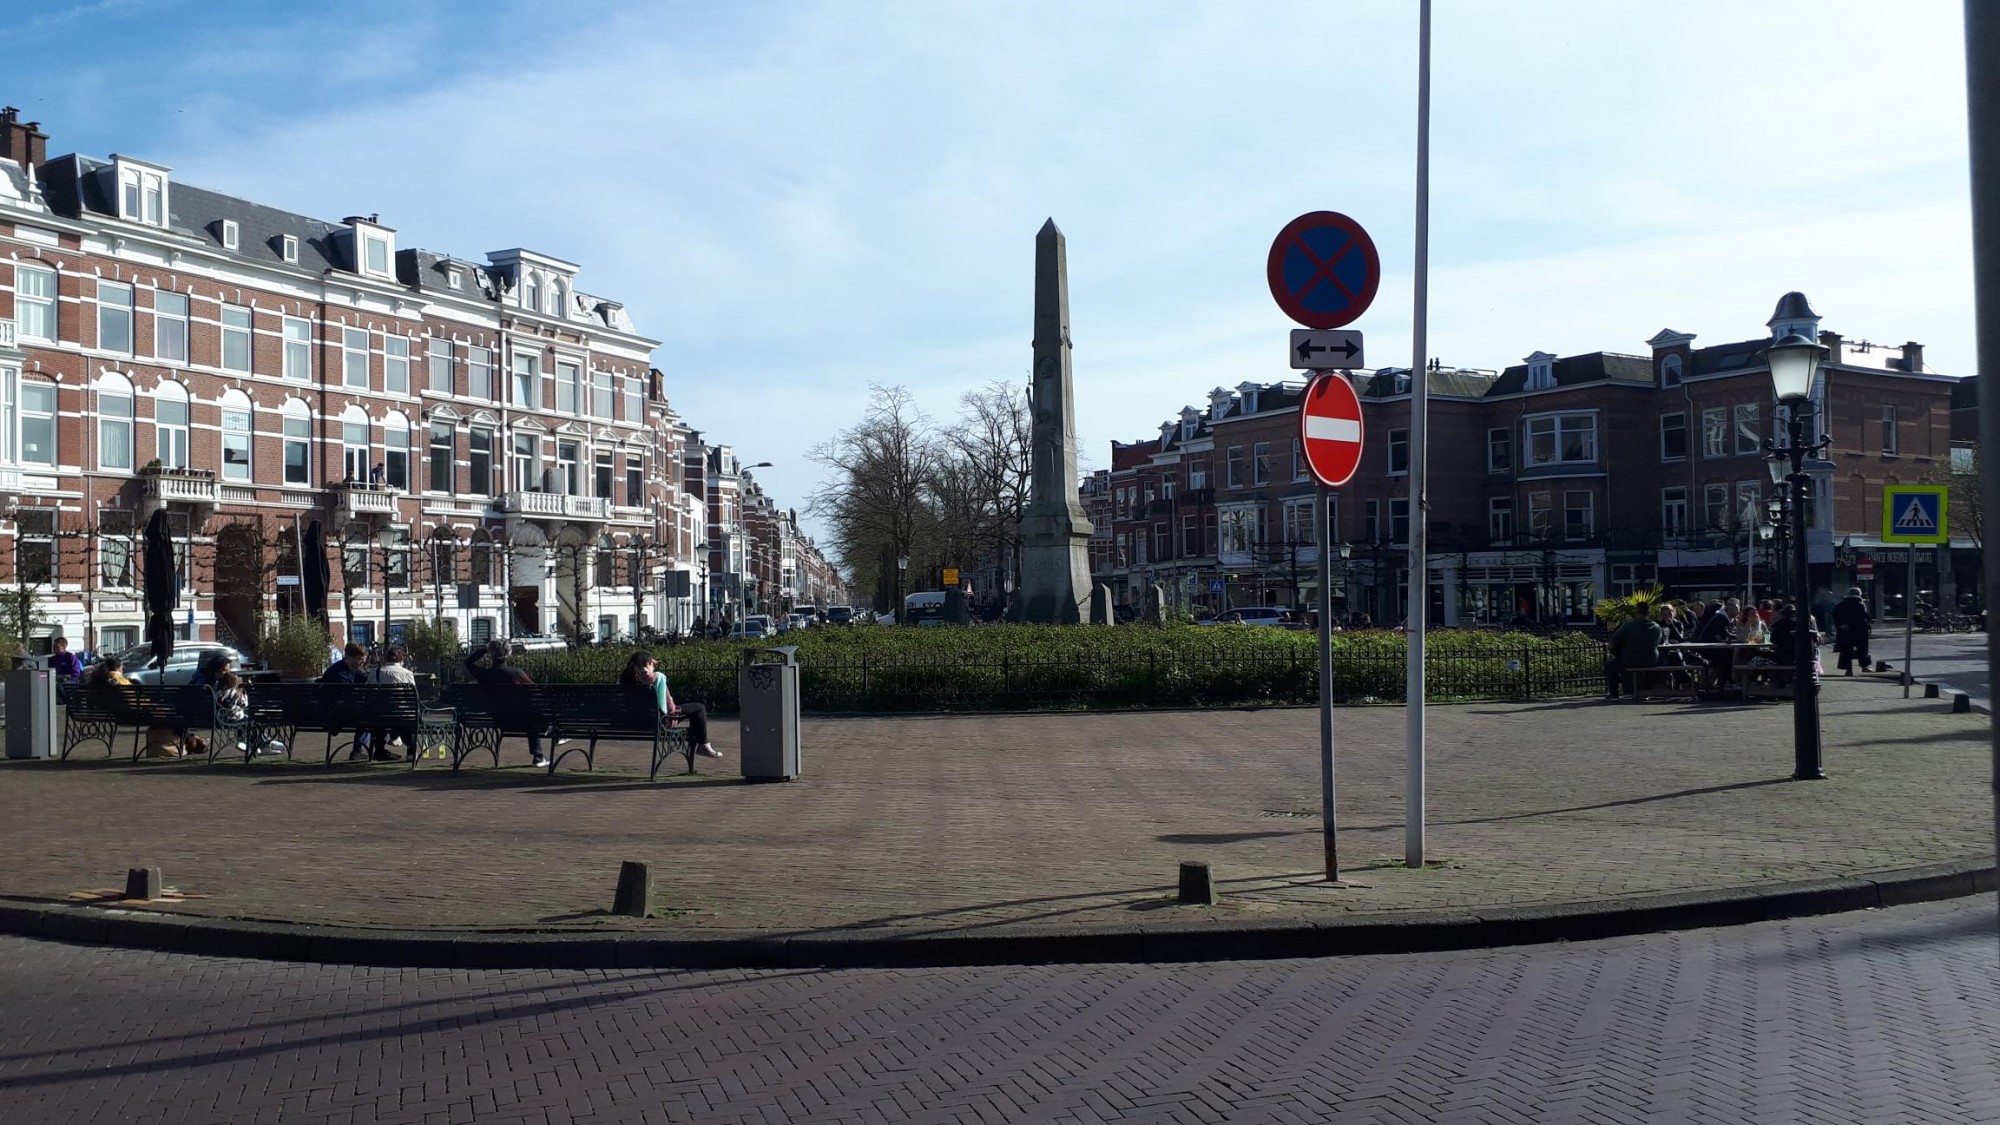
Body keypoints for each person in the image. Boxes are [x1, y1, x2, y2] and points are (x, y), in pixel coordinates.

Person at [465, 639, 553, 767]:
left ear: (491, 654)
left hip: (497, 719)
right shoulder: (516, 673)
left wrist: (485, 649)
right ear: (509, 654)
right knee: (531, 715)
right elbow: (536, 693)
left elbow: (467, 662)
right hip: (521, 720)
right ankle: (538, 755)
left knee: (529, 714)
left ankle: (545, 740)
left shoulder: (484, 675)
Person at [618, 651, 721, 757]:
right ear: (648, 663)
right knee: (699, 708)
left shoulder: (623, 679)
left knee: (692, 710)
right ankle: (702, 745)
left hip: (631, 723)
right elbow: (669, 708)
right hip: (657, 723)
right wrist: (673, 713)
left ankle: (700, 745)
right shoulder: (656, 677)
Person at [364, 645, 418, 762]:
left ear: (385, 658)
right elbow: (412, 698)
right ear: (401, 659)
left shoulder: (374, 672)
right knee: (408, 717)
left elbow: (368, 693)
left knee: (385, 714)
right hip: (400, 715)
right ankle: (411, 751)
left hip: (378, 715)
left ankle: (380, 748)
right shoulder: (406, 673)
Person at [1604, 604, 1664, 700]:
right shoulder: (1656, 627)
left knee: (1611, 665)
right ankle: (1646, 688)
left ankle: (1614, 694)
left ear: (1636, 612)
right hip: (1651, 660)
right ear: (1649, 613)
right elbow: (1660, 643)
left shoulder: (1628, 626)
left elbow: (1612, 642)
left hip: (1630, 660)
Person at [1832, 586, 1874, 675]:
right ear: (1859, 594)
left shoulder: (1841, 604)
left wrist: (1842, 625)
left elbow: (1835, 615)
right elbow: (1863, 617)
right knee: (1862, 649)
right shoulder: (1860, 604)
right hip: (1859, 631)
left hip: (1845, 631)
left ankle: (1848, 670)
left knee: (1846, 651)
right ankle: (1864, 666)